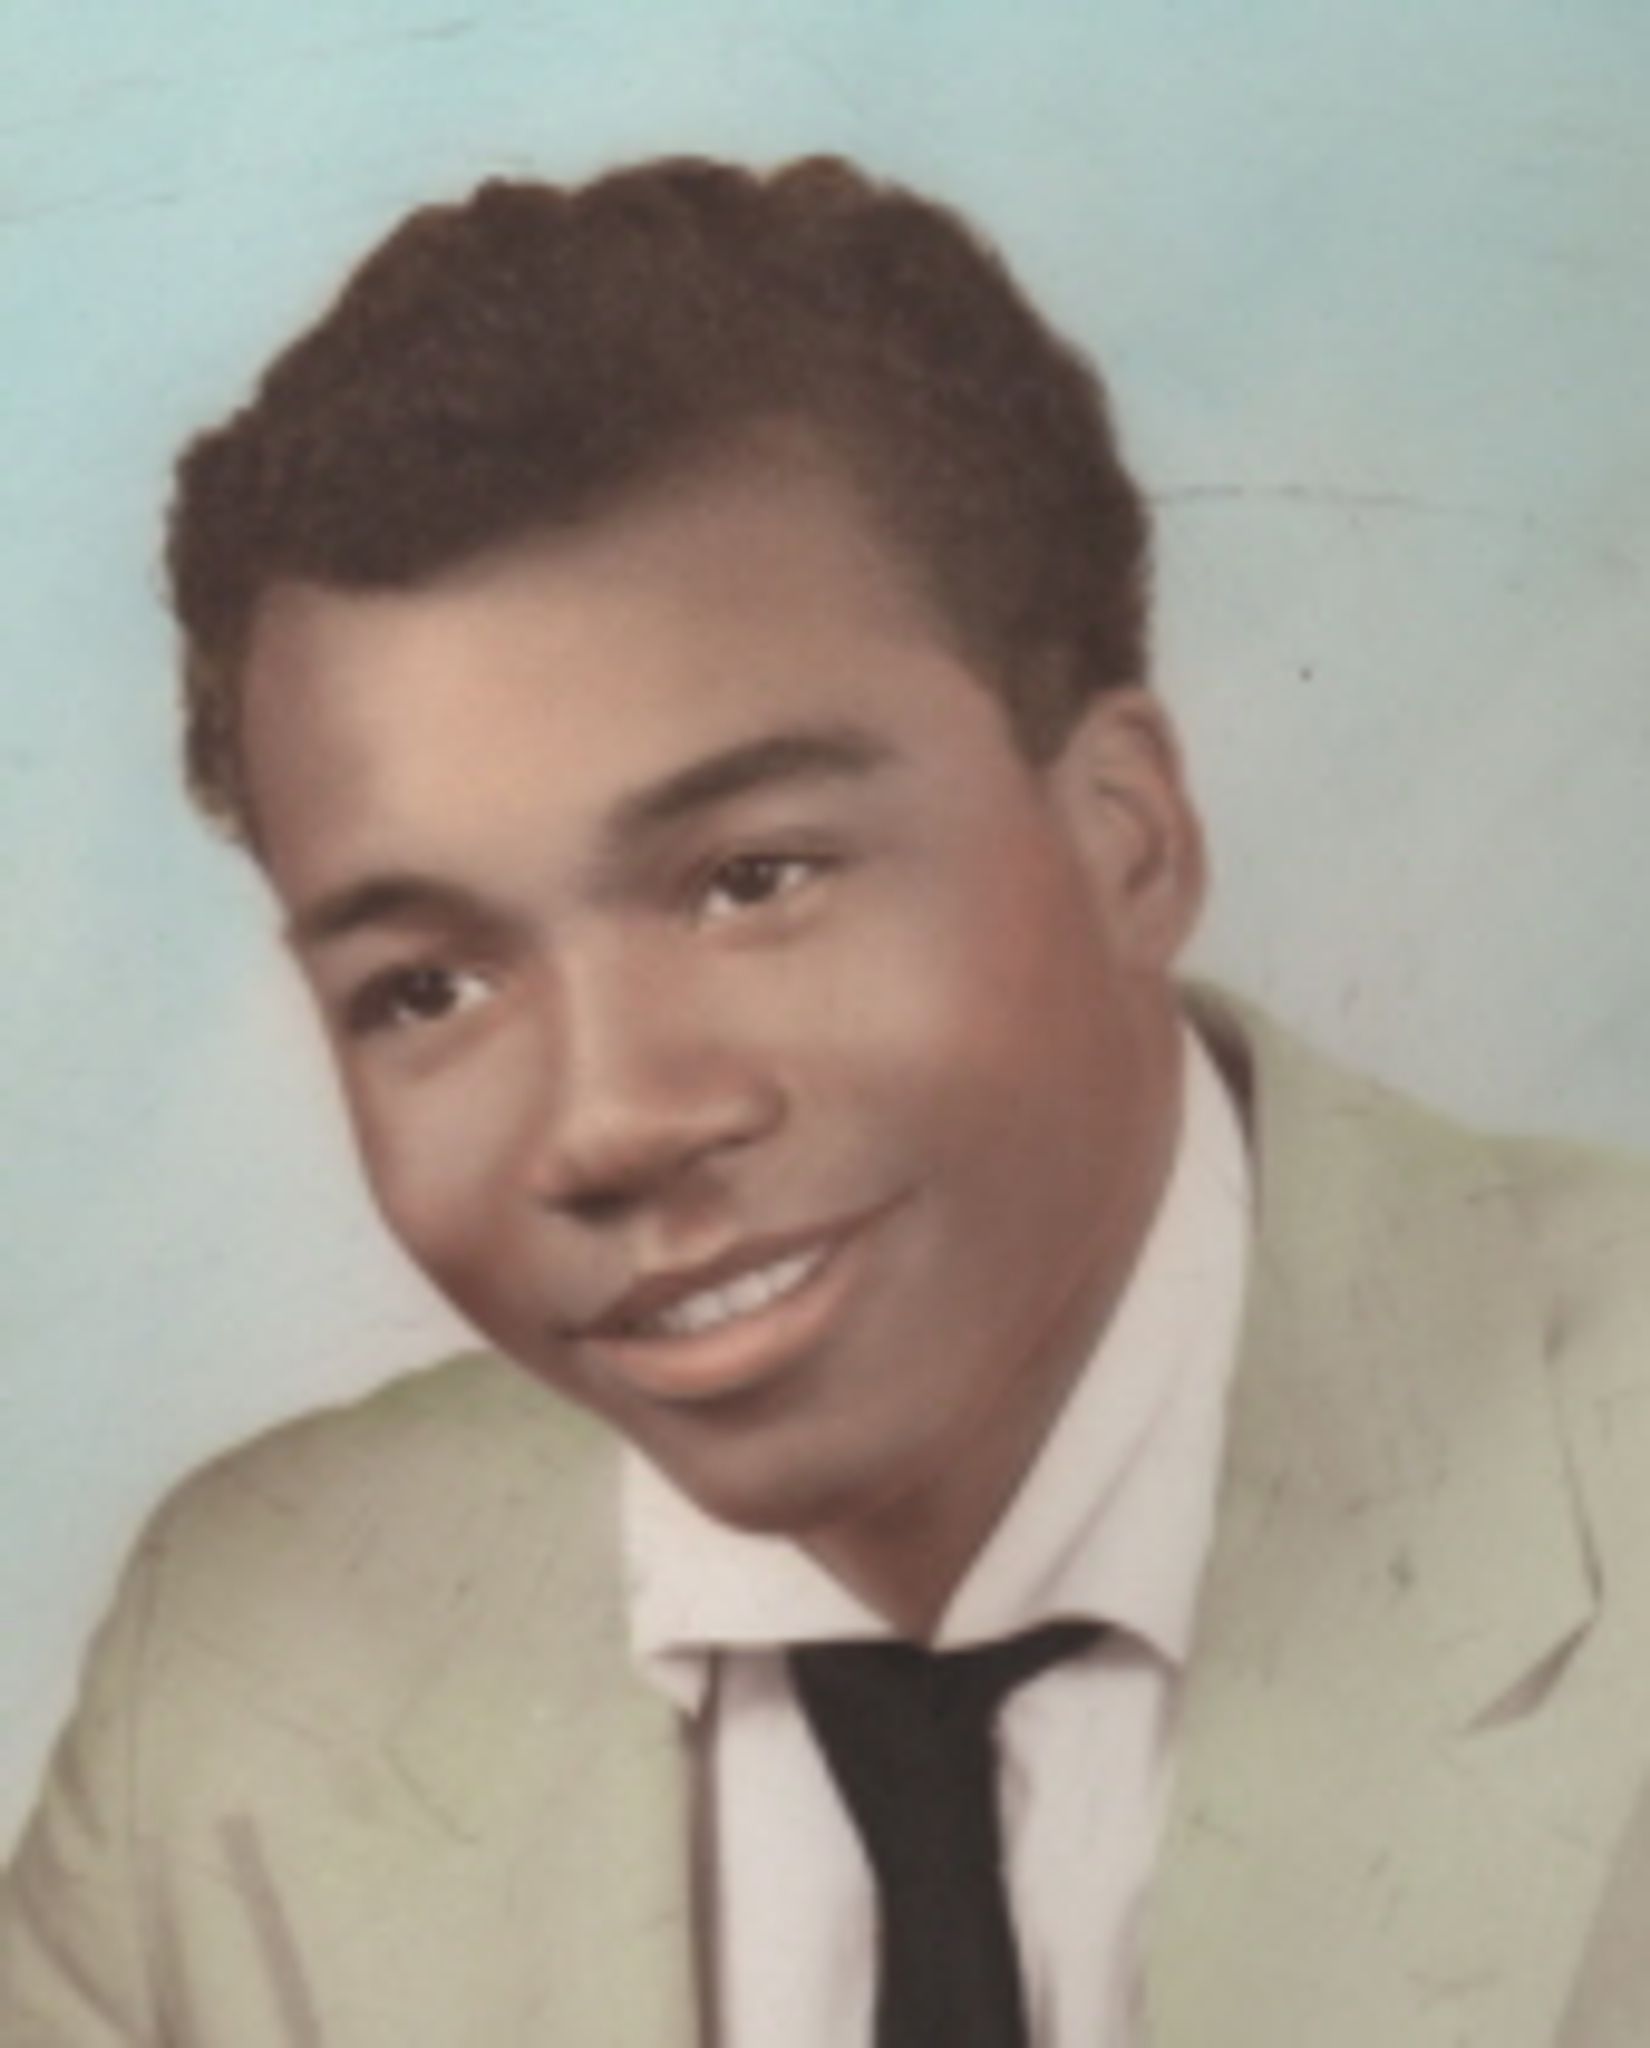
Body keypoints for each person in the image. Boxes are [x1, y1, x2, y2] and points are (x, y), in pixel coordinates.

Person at [5, 154, 1650, 2048]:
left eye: (750, 880)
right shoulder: (241, 1676)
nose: (609, 1121)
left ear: (1126, 836)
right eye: (426, 988)